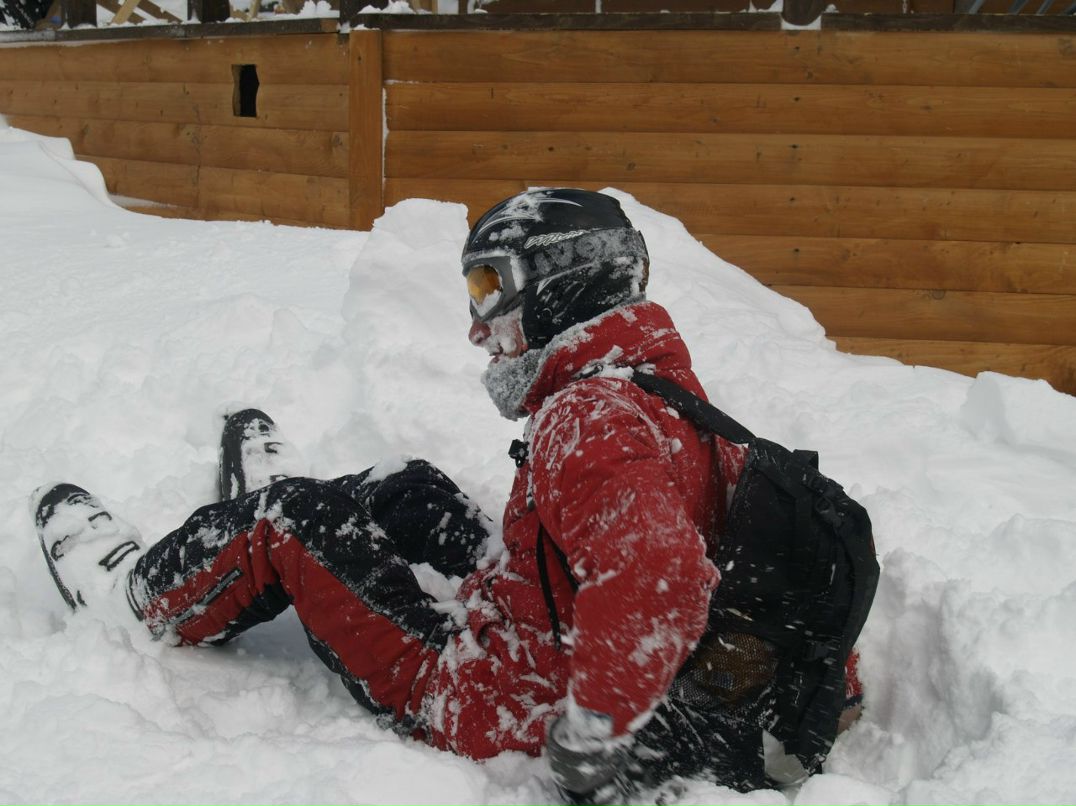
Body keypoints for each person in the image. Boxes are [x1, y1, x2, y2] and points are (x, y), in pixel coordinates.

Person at [30, 189, 844, 802]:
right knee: (408, 488)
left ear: (561, 284)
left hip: (492, 698)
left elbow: (658, 578)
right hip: (538, 625)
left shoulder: (590, 419)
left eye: (491, 287)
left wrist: (594, 729)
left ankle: (138, 595)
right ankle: (259, 547)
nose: (477, 326)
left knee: (287, 520)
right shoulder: (653, 381)